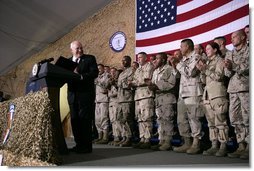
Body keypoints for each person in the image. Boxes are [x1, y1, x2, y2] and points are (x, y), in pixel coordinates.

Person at [172, 39, 204, 154]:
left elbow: (190, 73)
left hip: (193, 92)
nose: (180, 49)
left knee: (194, 118)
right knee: (181, 119)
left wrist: (178, 63)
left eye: (182, 46)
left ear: (188, 47)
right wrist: (175, 65)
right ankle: (186, 142)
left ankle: (196, 143)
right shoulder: (183, 60)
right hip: (182, 93)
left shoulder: (196, 57)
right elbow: (177, 76)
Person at [197, 42, 229, 157]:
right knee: (211, 123)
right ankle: (214, 145)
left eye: (209, 48)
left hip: (217, 94)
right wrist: (201, 70)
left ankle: (223, 146)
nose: (207, 50)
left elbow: (219, 76)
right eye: (206, 49)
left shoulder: (220, 60)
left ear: (215, 50)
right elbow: (205, 81)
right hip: (208, 95)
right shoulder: (208, 62)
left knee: (220, 122)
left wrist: (205, 69)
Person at [67, 40, 98, 153]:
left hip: (85, 96)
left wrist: (80, 76)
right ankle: (79, 144)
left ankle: (86, 147)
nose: (80, 50)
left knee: (84, 121)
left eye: (81, 48)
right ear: (71, 50)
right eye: (77, 48)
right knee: (75, 121)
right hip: (72, 96)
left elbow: (94, 73)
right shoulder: (68, 62)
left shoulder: (90, 59)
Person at [224, 30, 249, 159]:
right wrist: (228, 68)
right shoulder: (230, 53)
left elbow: (247, 67)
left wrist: (232, 66)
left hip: (245, 88)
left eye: (234, 37)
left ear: (243, 37)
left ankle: (250, 147)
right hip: (233, 90)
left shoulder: (249, 50)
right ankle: (241, 145)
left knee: (248, 118)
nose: (232, 39)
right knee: (235, 119)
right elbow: (227, 74)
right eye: (231, 37)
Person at [146, 52, 176, 151]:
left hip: (167, 97)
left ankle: (167, 141)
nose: (155, 61)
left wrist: (157, 86)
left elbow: (172, 83)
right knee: (160, 120)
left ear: (163, 60)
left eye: (157, 59)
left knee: (167, 120)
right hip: (158, 98)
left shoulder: (169, 69)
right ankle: (161, 141)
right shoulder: (155, 71)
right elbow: (154, 84)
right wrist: (151, 85)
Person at [129, 52, 155, 149]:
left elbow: (145, 80)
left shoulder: (149, 66)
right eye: (138, 57)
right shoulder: (138, 69)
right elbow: (135, 80)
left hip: (146, 95)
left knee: (147, 117)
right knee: (140, 118)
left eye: (140, 57)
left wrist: (134, 83)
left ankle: (147, 139)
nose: (138, 59)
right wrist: (133, 83)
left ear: (145, 58)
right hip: (138, 96)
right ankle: (142, 138)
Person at [117, 56, 135, 147]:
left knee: (127, 119)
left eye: (125, 60)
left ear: (129, 61)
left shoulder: (132, 70)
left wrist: (120, 83)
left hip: (127, 98)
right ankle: (124, 136)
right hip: (120, 98)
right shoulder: (122, 73)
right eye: (122, 60)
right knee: (119, 119)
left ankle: (129, 137)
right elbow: (119, 83)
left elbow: (129, 84)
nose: (123, 62)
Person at [94, 64, 110, 144]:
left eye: (100, 68)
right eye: (97, 69)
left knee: (104, 118)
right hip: (97, 100)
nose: (99, 70)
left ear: (103, 69)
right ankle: (99, 136)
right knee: (97, 120)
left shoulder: (107, 75)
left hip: (104, 100)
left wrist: (98, 82)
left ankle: (105, 137)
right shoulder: (96, 77)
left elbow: (106, 86)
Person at [107, 67, 122, 146]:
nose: (112, 73)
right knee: (112, 120)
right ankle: (115, 137)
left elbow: (119, 91)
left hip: (117, 100)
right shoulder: (110, 80)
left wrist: (114, 83)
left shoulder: (118, 80)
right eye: (111, 72)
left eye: (114, 72)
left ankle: (120, 136)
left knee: (117, 119)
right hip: (111, 101)